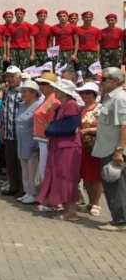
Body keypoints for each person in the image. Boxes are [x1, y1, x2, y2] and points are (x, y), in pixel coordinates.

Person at [37, 79, 82, 220]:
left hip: (68, 147)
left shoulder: (71, 105)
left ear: (64, 92)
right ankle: (65, 208)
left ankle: (71, 211)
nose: (55, 91)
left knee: (67, 177)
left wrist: (51, 130)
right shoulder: (62, 105)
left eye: (57, 89)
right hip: (59, 146)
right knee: (59, 176)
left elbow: (71, 127)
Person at [92, 67, 126, 231]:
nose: (100, 81)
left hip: (114, 150)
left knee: (117, 186)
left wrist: (119, 150)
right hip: (106, 148)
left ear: (115, 81)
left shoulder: (120, 98)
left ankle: (121, 221)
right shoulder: (108, 97)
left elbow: (124, 126)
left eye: (104, 79)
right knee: (111, 186)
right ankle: (118, 218)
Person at [77, 82, 103, 216]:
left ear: (94, 95)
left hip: (95, 145)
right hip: (81, 146)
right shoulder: (81, 109)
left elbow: (105, 128)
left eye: (88, 93)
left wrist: (88, 129)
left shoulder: (100, 109)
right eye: (83, 93)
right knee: (86, 176)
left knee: (96, 176)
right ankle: (90, 203)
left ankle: (96, 203)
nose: (85, 96)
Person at [16, 79, 43, 204]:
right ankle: (28, 191)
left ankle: (34, 193)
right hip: (22, 141)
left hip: (32, 142)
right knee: (25, 167)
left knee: (32, 169)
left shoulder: (39, 106)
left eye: (25, 91)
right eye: (22, 91)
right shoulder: (22, 106)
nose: (22, 94)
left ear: (33, 93)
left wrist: (37, 144)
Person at [0, 66, 24, 197]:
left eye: (12, 76)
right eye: (7, 76)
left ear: (19, 77)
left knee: (21, 163)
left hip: (20, 133)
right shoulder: (7, 91)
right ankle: (13, 186)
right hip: (8, 132)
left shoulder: (25, 90)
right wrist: (1, 127)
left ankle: (23, 188)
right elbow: (2, 111)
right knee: (10, 161)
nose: (9, 79)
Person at [33, 72, 61, 191]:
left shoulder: (54, 101)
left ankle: (49, 198)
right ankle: (46, 196)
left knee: (45, 169)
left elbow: (53, 122)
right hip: (41, 138)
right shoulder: (46, 99)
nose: (40, 86)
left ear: (52, 86)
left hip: (47, 139)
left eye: (43, 84)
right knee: (42, 168)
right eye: (39, 83)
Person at [73, 11, 101, 77]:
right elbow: (76, 42)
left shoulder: (97, 30)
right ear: (82, 18)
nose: (88, 19)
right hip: (81, 53)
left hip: (93, 54)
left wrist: (98, 57)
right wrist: (75, 54)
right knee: (80, 74)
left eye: (90, 17)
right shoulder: (77, 29)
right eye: (86, 17)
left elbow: (98, 44)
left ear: (92, 18)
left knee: (93, 74)